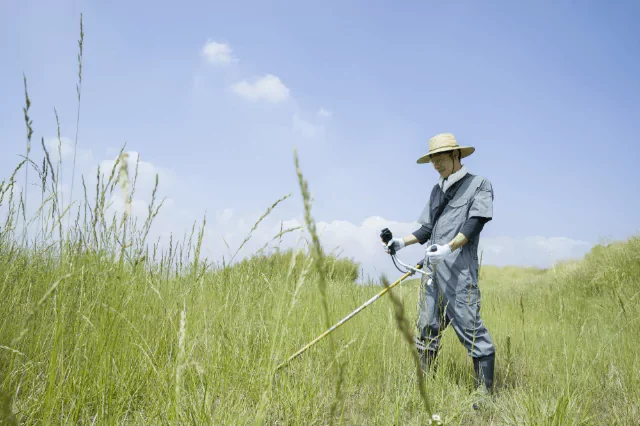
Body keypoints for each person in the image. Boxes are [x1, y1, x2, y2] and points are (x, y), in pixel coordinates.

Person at [382, 133, 495, 407]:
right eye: (433, 159)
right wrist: (401, 241)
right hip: (431, 274)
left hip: (459, 270)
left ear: (456, 155)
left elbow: (475, 222)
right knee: (427, 326)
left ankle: (484, 394)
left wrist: (449, 247)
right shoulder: (437, 191)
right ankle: (425, 383)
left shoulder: (479, 185)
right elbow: (427, 229)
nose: (437, 164)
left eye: (442, 158)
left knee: (470, 327)